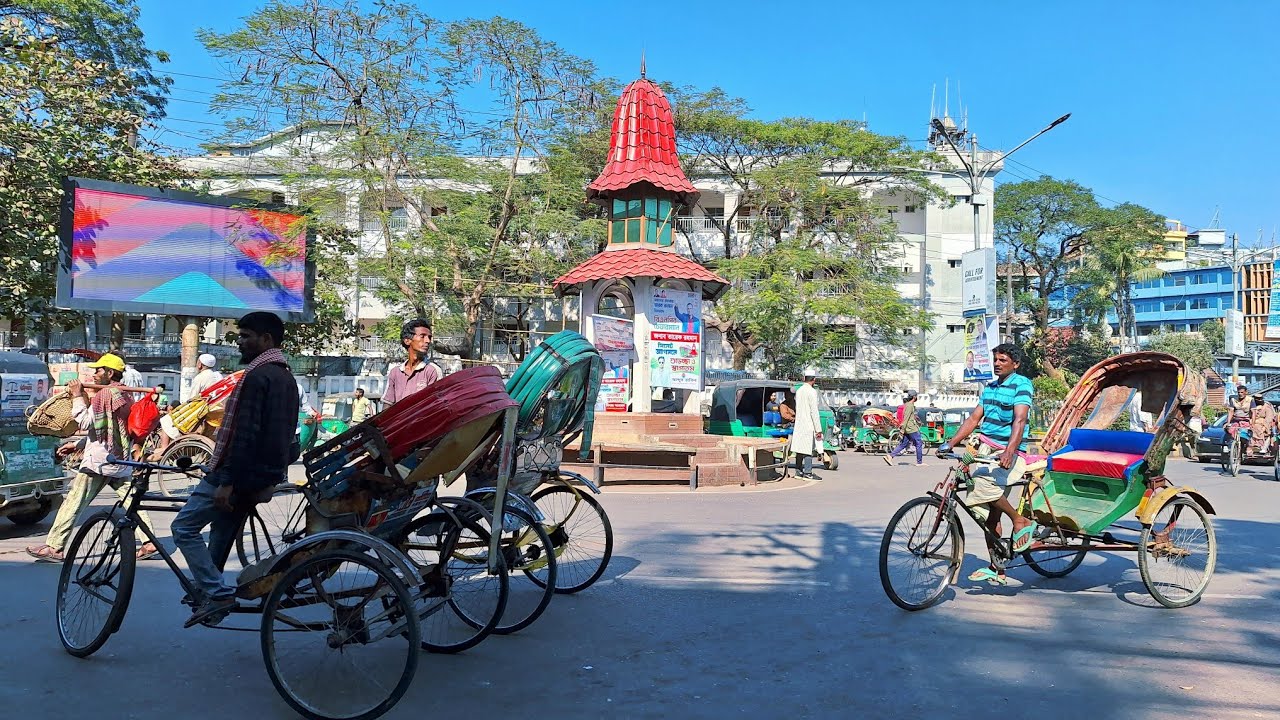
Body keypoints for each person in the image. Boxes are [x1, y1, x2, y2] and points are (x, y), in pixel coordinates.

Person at [171, 312, 299, 627]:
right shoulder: (284, 376)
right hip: (263, 473)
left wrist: (227, 481)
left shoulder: (258, 377)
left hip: (240, 474)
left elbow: (245, 435)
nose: (240, 342)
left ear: (266, 339)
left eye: (246, 336)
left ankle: (216, 593)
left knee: (183, 529)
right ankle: (207, 594)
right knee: (221, 532)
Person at [26, 353, 159, 562]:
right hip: (119, 460)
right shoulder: (124, 395)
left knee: (73, 502)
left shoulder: (106, 395)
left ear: (110, 373)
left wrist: (78, 395)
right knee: (131, 500)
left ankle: (54, 546)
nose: (94, 374)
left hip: (99, 462)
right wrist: (76, 445)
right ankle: (150, 542)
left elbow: (86, 423)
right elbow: (105, 430)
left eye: (98, 370)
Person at [938, 343, 1036, 586]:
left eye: (1003, 359)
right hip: (985, 448)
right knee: (988, 518)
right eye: (995, 359)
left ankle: (1019, 519)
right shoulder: (990, 388)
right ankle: (997, 568)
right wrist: (951, 444)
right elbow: (974, 418)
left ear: (1015, 364)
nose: (997, 363)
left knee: (983, 485)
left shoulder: (1022, 384)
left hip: (1011, 451)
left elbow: (1020, 420)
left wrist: (1010, 451)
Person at [383, 318, 443, 409]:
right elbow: (387, 404)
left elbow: (436, 407)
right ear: (407, 341)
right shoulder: (395, 372)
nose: (427, 341)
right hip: (399, 423)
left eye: (429, 337)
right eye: (422, 336)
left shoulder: (432, 370)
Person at [792, 373, 823, 480]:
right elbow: (814, 411)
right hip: (808, 423)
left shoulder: (799, 391)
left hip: (799, 422)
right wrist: (818, 429)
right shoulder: (812, 392)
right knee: (808, 449)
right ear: (814, 380)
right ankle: (808, 472)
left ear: (804, 379)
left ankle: (798, 471)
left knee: (800, 448)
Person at [885, 390, 925, 466]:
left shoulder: (908, 405)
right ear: (914, 397)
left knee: (904, 444)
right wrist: (902, 429)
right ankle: (919, 462)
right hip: (911, 428)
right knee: (919, 442)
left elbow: (910, 417)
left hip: (908, 428)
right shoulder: (910, 405)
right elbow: (906, 418)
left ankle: (890, 456)